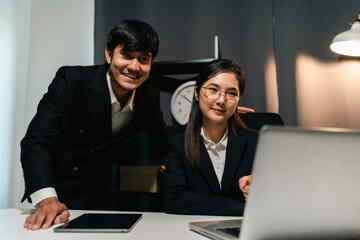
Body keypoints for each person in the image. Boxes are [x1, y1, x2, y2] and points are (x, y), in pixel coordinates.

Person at [20, 19, 167, 230]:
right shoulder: (71, 80)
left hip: (101, 196)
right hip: (57, 195)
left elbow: (163, 136)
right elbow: (36, 142)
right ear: (109, 54)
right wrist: (47, 199)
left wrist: (217, 125)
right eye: (126, 55)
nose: (134, 67)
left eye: (143, 59)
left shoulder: (148, 95)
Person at [163, 59, 258, 216]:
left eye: (231, 93)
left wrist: (259, 188)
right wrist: (239, 206)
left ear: (238, 100)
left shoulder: (255, 142)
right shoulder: (177, 143)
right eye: (213, 90)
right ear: (196, 93)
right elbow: (174, 200)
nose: (221, 100)